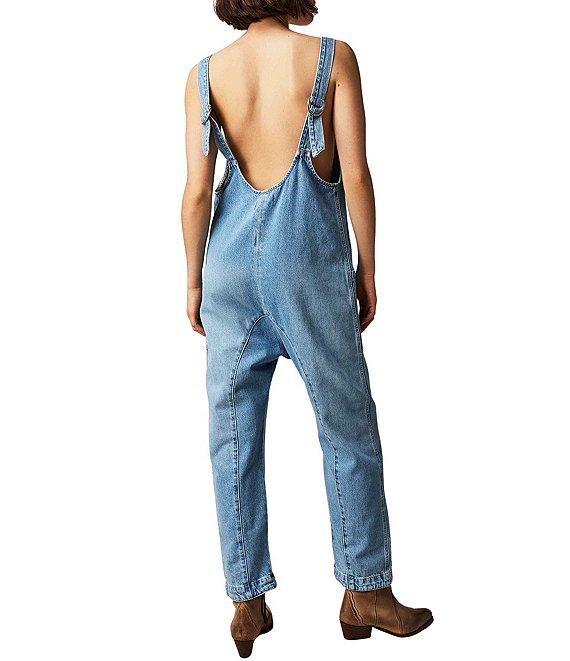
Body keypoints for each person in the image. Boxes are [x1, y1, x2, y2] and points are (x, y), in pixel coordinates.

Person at [181, 1, 432, 655]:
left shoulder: (205, 75)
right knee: (346, 424)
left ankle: (246, 601)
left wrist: (193, 280)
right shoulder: (331, 58)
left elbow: (198, 191)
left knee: (232, 436)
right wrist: (367, 266)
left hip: (227, 267)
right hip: (308, 267)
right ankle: (366, 589)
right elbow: (356, 172)